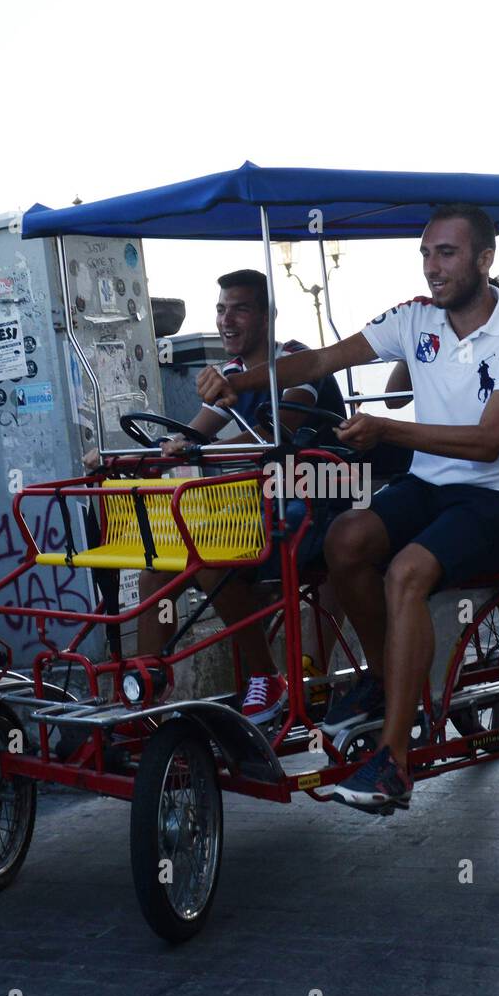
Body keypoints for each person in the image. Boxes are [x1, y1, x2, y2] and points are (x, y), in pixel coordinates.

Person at [197, 205, 499, 812]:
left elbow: (489, 441)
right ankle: (386, 678)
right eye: (425, 253)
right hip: (430, 483)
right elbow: (318, 361)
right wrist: (245, 381)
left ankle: (392, 762)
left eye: (446, 253)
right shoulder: (415, 317)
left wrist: (389, 432)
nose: (432, 267)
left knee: (406, 572)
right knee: (346, 538)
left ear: (484, 260)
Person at [138, 269, 346, 723]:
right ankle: (144, 691)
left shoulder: (296, 359)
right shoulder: (230, 373)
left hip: (322, 501)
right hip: (266, 502)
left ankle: (266, 677)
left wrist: (197, 449)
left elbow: (278, 432)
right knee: (157, 567)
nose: (226, 319)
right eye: (220, 308)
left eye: (240, 308)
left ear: (268, 316)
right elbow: (194, 434)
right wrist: (141, 457)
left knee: (212, 557)